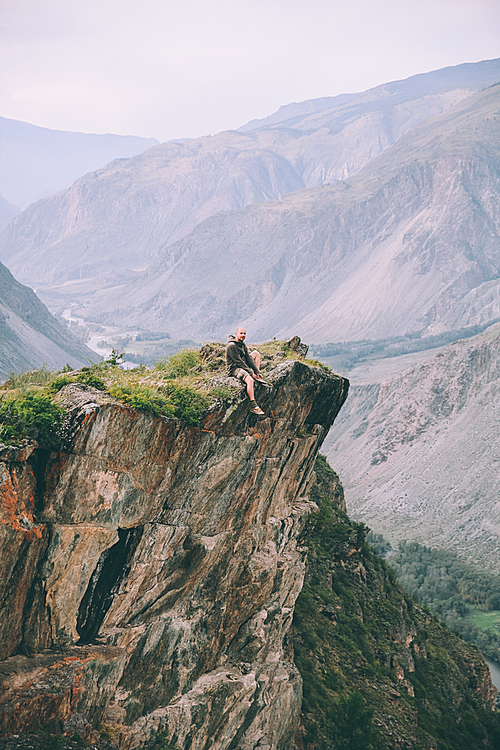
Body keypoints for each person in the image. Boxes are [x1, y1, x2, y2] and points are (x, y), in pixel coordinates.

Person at [226, 327, 269, 415]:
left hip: (242, 364)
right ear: (236, 334)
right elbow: (239, 362)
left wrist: (257, 372)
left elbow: (248, 358)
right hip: (235, 368)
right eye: (241, 333)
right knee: (250, 380)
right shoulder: (231, 346)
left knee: (256, 354)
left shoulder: (242, 344)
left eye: (244, 333)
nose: (243, 335)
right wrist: (251, 373)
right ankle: (254, 406)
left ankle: (257, 377)